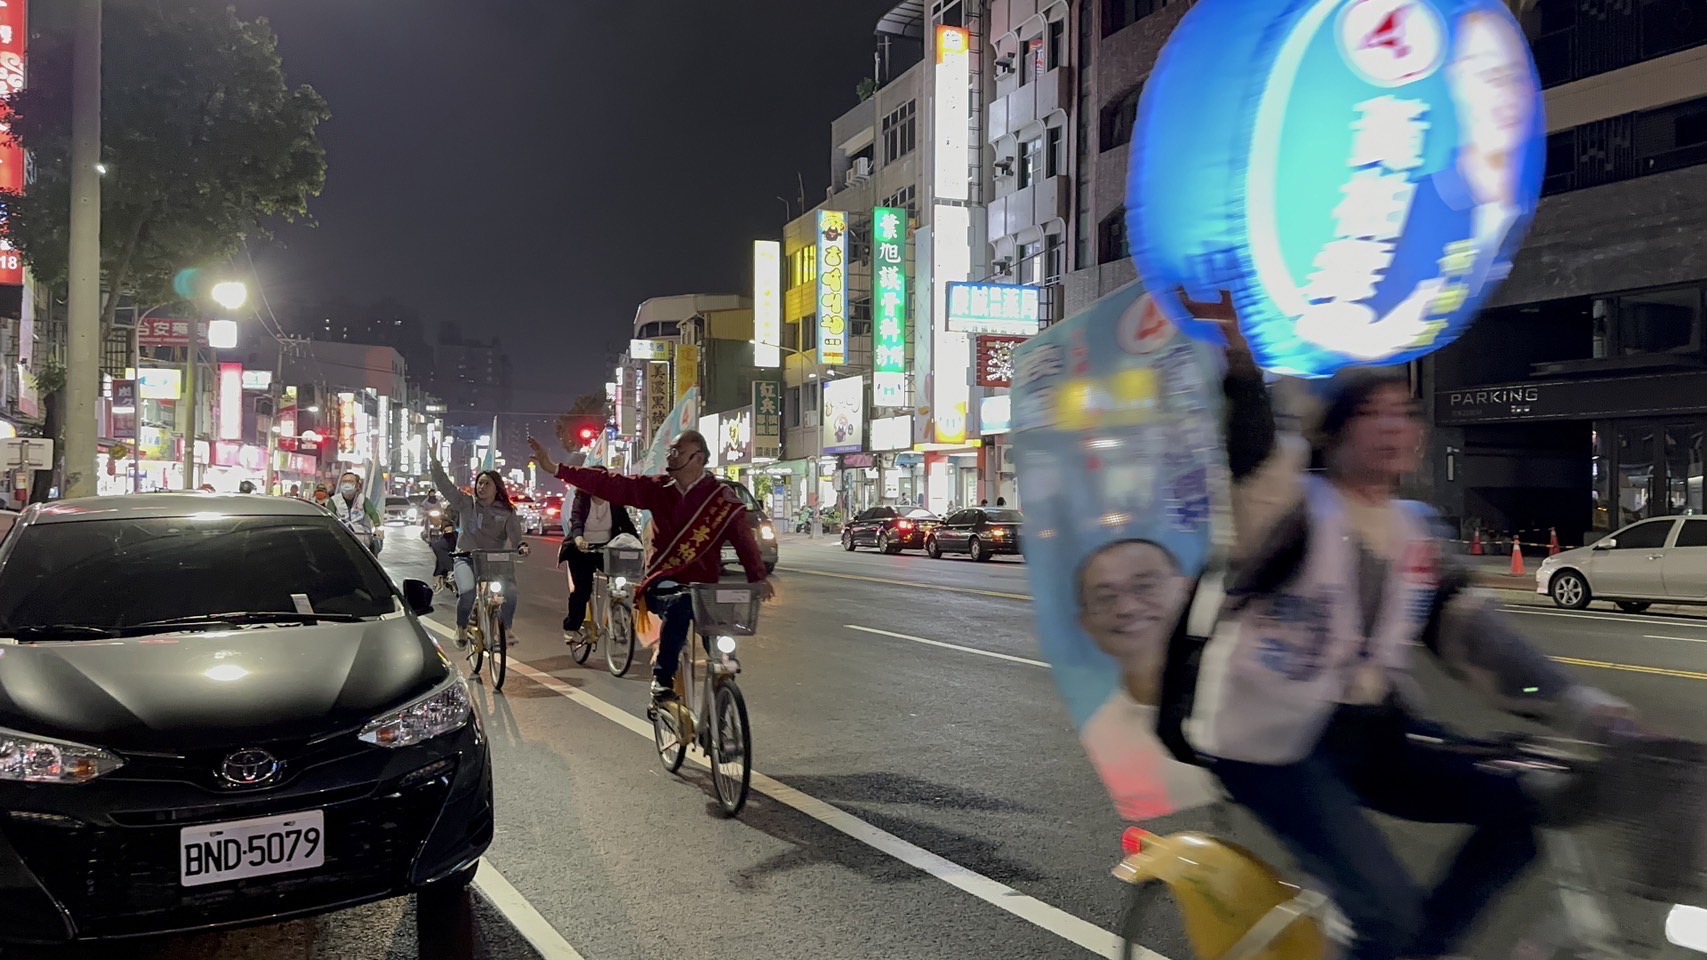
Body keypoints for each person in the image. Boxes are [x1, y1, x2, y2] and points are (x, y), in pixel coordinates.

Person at [1177, 293, 1630, 960]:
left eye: (1405, 412)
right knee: (1386, 917)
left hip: (1372, 737)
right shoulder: (1290, 509)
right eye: (1371, 413)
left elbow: (1479, 641)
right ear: (1333, 433)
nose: (1393, 426)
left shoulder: (1416, 532)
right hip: (1270, 746)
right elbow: (1249, 460)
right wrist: (1241, 366)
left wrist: (1586, 708)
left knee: (1530, 801)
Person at [528, 429, 775, 702]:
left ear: (698, 458)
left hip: (705, 588)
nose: (671, 456)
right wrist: (556, 468)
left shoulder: (722, 500)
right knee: (681, 606)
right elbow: (610, 483)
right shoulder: (658, 489)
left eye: (677, 452)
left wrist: (758, 577)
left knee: (720, 629)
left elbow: (744, 541)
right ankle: (662, 680)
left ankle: (722, 691)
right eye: (670, 451)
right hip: (664, 583)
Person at [429, 456, 528, 646]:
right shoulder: (466, 503)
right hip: (465, 558)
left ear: (497, 488)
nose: (481, 487)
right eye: (479, 483)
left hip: (495, 561)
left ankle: (506, 629)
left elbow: (516, 537)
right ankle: (461, 627)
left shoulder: (507, 511)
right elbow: (446, 486)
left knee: (510, 592)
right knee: (467, 592)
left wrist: (522, 546)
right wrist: (435, 463)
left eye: (487, 483)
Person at [559, 465, 639, 640]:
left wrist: (638, 543)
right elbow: (576, 520)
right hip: (581, 549)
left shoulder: (614, 500)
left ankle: (617, 612)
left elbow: (626, 524)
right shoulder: (581, 499)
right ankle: (572, 626)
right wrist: (579, 539)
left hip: (607, 549)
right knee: (582, 590)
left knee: (621, 581)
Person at [328, 471, 381, 552]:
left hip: (362, 536)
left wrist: (378, 529)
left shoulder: (362, 499)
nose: (347, 484)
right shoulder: (334, 500)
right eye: (344, 481)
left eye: (350, 481)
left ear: (357, 484)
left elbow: (373, 514)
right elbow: (329, 517)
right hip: (341, 535)